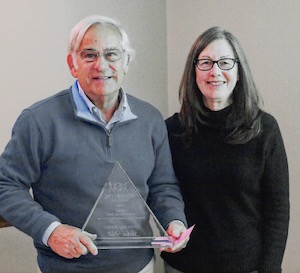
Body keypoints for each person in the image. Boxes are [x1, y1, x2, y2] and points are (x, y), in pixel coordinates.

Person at [0, 15, 189, 273]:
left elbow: (163, 185)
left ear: (126, 62)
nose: (101, 65)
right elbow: (6, 186)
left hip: (139, 267)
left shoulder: (150, 119)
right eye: (89, 54)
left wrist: (173, 220)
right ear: (72, 63)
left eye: (112, 55)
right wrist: (51, 231)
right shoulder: (38, 121)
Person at [161, 26, 289, 273]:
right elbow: (162, 192)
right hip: (183, 266)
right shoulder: (171, 130)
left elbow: (277, 210)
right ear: (194, 72)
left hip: (246, 266)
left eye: (225, 62)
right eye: (206, 62)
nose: (215, 71)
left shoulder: (264, 129)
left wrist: (270, 269)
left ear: (239, 71)